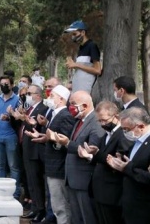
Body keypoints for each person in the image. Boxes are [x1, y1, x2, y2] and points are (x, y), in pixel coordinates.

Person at [49, 90, 105, 224]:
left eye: (74, 104)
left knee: (87, 217)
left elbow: (90, 149)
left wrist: (67, 143)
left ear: (85, 106)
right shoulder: (79, 120)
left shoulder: (95, 122)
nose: (70, 107)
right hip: (72, 179)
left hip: (84, 180)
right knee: (76, 217)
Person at [26, 85, 75, 224]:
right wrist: (43, 137)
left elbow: (64, 141)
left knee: (61, 206)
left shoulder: (65, 115)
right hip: (51, 166)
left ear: (61, 99)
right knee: (56, 204)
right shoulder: (55, 114)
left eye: (52, 96)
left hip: (58, 167)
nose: (49, 98)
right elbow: (52, 136)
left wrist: (52, 138)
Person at [77, 101, 132, 224]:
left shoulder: (123, 135)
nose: (102, 124)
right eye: (99, 121)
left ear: (116, 117)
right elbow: (101, 158)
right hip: (100, 191)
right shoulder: (106, 134)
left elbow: (118, 160)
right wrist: (90, 156)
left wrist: (97, 154)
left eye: (105, 120)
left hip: (112, 192)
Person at [11, 84, 49, 223]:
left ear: (38, 95)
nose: (27, 96)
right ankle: (34, 208)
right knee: (30, 182)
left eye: (30, 93)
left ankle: (40, 210)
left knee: (36, 181)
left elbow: (37, 126)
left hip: (35, 150)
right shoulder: (29, 108)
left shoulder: (43, 109)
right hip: (26, 148)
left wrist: (25, 119)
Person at [107, 107, 150, 224]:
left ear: (140, 126)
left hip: (144, 208)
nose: (125, 133)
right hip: (130, 205)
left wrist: (126, 168)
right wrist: (119, 164)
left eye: (127, 129)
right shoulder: (136, 141)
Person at [0, 75, 21, 200]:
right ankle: (1, 191)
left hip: (11, 136)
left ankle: (15, 193)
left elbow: (19, 116)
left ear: (12, 85)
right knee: (0, 165)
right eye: (2, 84)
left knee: (13, 166)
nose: (4, 86)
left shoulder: (17, 99)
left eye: (6, 84)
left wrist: (10, 116)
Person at [64, 20, 101, 93]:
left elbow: (97, 70)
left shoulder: (92, 46)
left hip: (86, 91)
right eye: (72, 34)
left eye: (74, 34)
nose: (73, 37)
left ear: (83, 33)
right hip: (78, 89)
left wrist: (76, 65)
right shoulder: (81, 48)